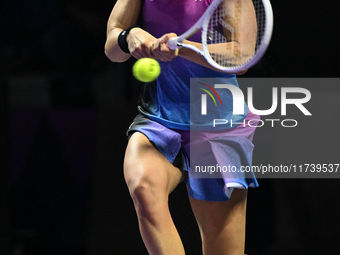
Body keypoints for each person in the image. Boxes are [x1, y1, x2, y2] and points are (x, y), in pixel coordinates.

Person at [105, 0, 259, 254]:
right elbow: (112, 45)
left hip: (219, 122)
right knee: (143, 187)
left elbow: (241, 57)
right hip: (159, 116)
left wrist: (182, 47)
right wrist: (129, 36)